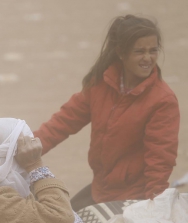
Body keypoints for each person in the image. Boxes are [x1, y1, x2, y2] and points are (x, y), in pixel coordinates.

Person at [33, 15, 180, 212]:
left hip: (135, 197)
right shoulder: (100, 84)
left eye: (153, 51)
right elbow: (63, 122)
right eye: (139, 51)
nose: (148, 58)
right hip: (100, 189)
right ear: (121, 52)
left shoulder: (162, 101)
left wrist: (155, 208)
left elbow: (160, 160)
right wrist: (28, 150)